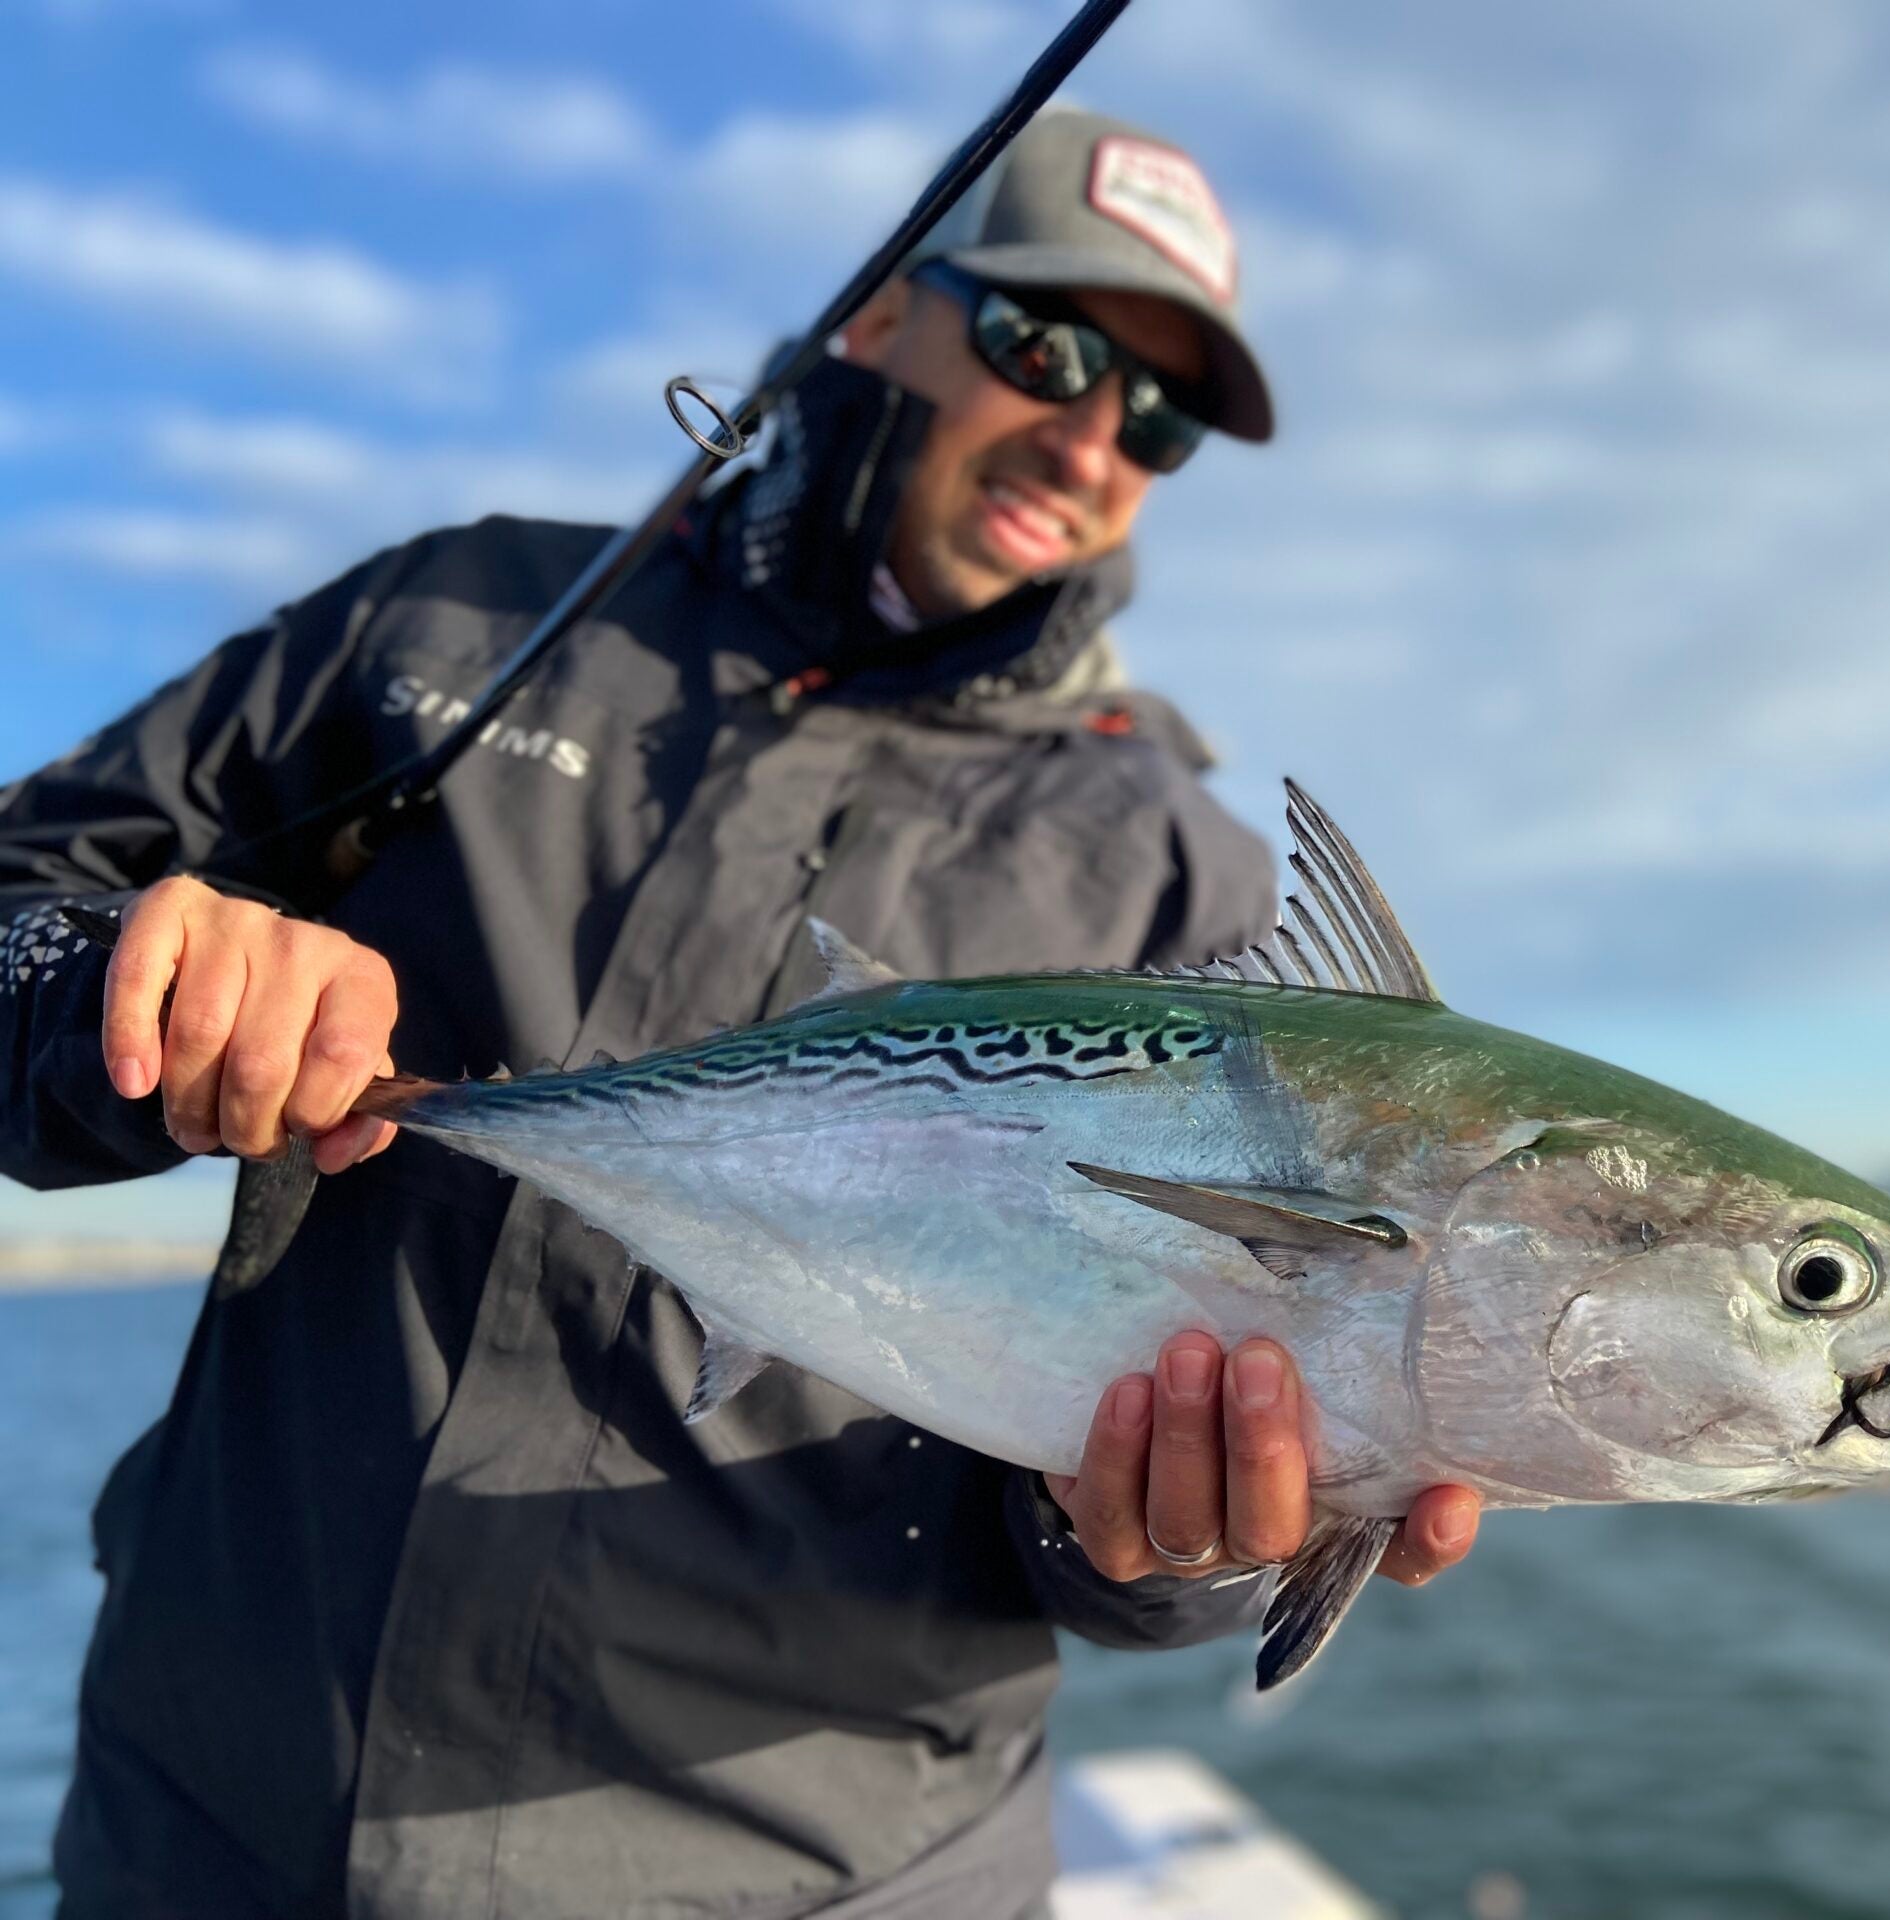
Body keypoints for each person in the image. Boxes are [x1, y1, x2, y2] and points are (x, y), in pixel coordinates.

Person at [0, 110, 1479, 1919]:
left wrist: (1171, 1544)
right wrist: (123, 983)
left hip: (811, 1886)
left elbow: (1102, 1540)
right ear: (881, 317)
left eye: (1158, 417)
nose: (1093, 435)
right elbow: (19, 909)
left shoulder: (1179, 890)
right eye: (1050, 346)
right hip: (216, 1841)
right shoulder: (463, 625)